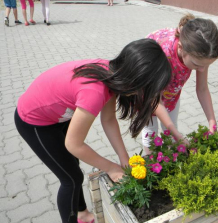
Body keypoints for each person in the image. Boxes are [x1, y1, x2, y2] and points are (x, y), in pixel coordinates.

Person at [14, 39, 171, 223]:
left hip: (57, 115)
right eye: (148, 90)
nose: (146, 96)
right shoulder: (95, 92)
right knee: (71, 179)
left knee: (72, 164)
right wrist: (111, 168)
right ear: (136, 80)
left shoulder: (112, 74)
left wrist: (124, 159)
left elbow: (109, 120)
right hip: (34, 121)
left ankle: (82, 214)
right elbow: (74, 144)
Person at [142, 13, 218, 152]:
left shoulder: (202, 52)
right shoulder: (163, 54)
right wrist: (178, 136)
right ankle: (149, 164)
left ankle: (172, 159)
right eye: (197, 65)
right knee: (150, 134)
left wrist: (212, 122)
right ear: (181, 48)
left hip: (171, 94)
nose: (201, 69)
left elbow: (202, 89)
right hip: (147, 94)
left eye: (205, 65)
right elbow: (155, 100)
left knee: (172, 129)